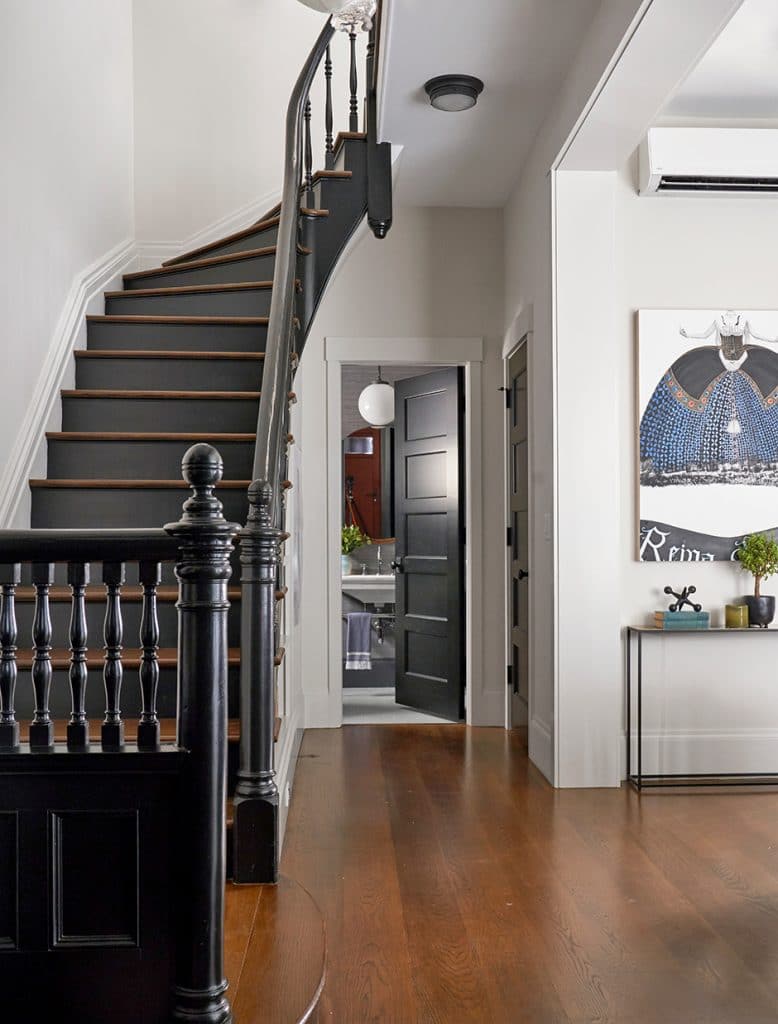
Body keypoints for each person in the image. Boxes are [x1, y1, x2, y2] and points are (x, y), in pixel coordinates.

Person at [640, 311, 778, 484]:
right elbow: (705, 334)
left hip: (744, 359)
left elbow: (756, 335)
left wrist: (773, 339)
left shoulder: (745, 322)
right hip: (719, 359)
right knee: (688, 377)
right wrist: (687, 334)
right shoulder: (717, 322)